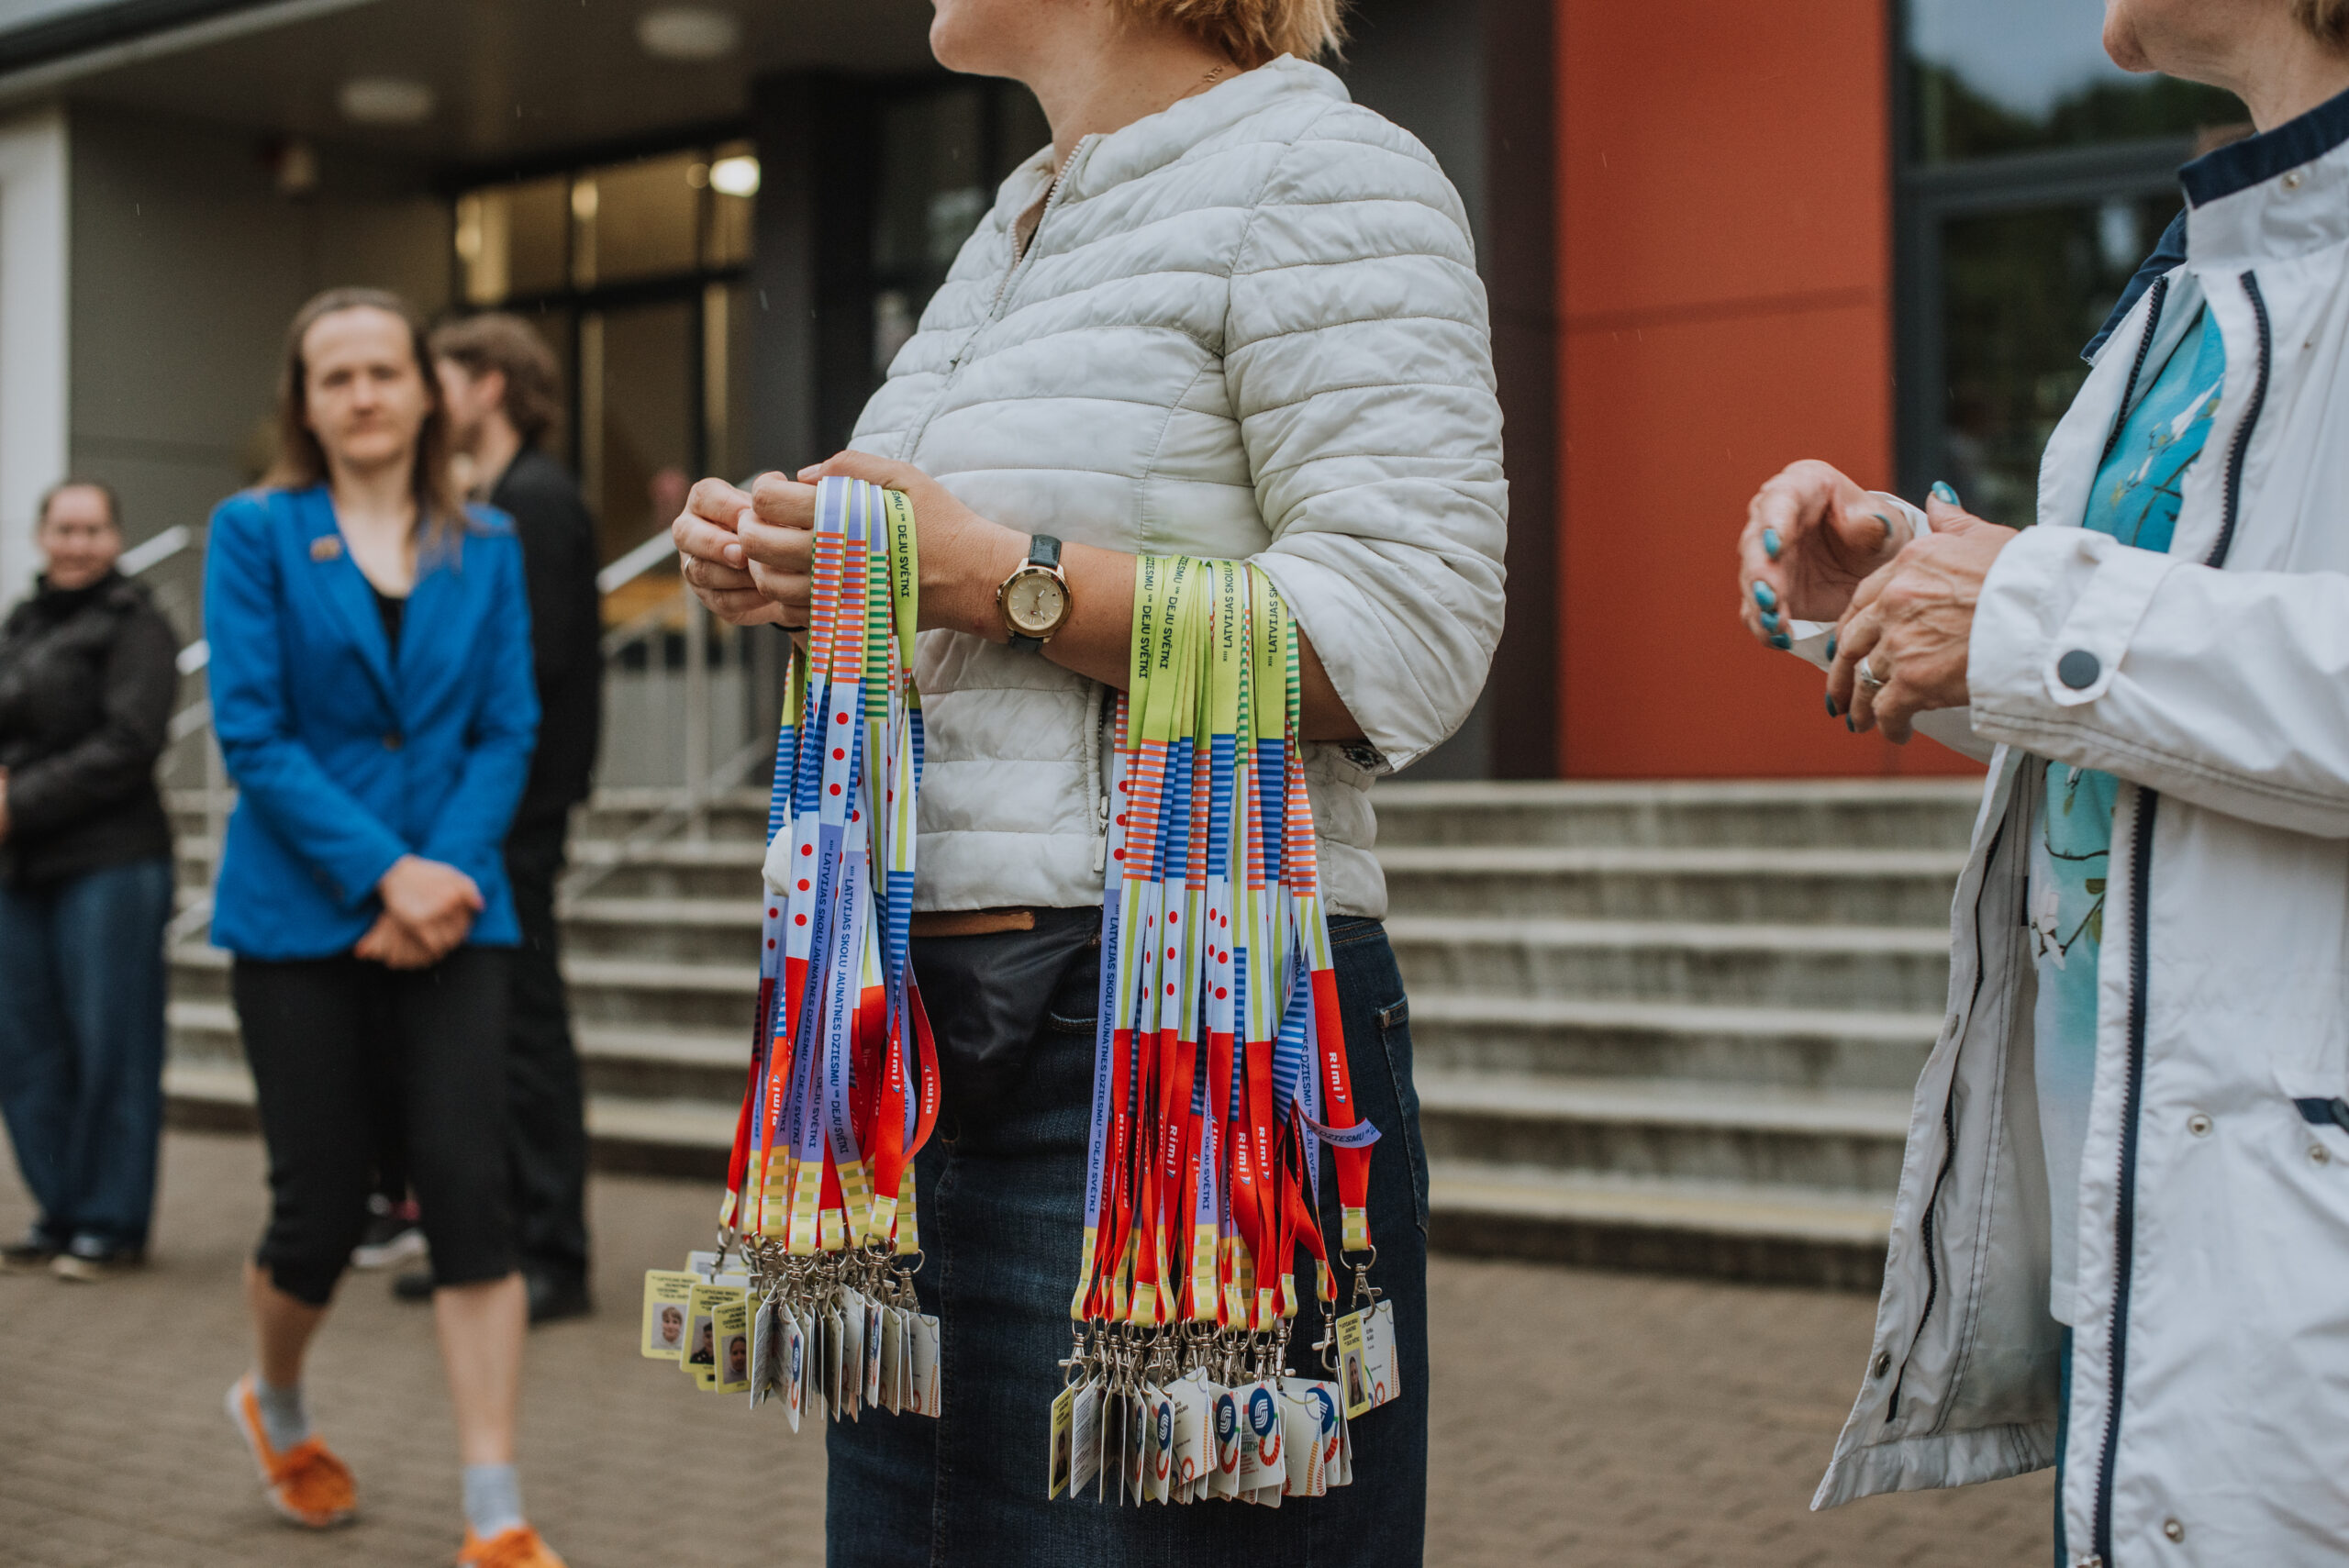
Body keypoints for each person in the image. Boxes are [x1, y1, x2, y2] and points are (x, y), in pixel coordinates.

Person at [674, 0, 1505, 1559]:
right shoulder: (1022, 216)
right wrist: (816, 573)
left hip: (1172, 1044)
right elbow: (974, 592)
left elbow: (1407, 632)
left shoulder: (1325, 173)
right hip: (924, 1046)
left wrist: (994, 574)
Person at [1734, 2, 2349, 1559]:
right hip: (2134, 1222)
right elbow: (2151, 713)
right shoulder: (2194, 285)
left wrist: (2022, 611)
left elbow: (2107, 641)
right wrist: (1902, 601)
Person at [205, 286, 563, 1567]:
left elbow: (506, 727)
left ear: (426, 390)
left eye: (383, 370)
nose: (362, 393)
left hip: (460, 914)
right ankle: (277, 1399)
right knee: (315, 1218)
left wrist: (440, 876)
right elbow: (253, 732)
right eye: (335, 375)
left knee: (472, 1196)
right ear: (304, 402)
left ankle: (495, 1509)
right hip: (299, 918)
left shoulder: (490, 541)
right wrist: (385, 875)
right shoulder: (255, 531)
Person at [423, 312, 604, 1327]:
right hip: (491, 807)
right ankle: (486, 1244)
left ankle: (553, 1253)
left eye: (440, 376)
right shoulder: (495, 496)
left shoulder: (533, 498)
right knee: (484, 1028)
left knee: (525, 1028)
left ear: (488, 384)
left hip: (518, 809)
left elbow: (531, 660)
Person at [0, 481, 178, 1281]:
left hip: (112, 862)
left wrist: (17, 802)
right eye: (64, 528)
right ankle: (60, 1209)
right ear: (41, 534)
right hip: (20, 867)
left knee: (113, 1047)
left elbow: (130, 743)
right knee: (25, 1050)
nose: (77, 543)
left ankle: (110, 1220)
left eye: (93, 529)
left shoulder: (138, 625)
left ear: (115, 537)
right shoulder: (21, 625)